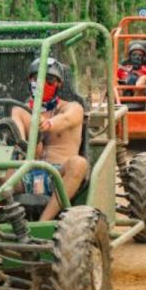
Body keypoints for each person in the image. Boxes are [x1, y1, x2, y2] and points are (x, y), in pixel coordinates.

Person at [11, 58, 88, 221]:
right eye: (37, 78)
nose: (43, 83)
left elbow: (67, 119)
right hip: (28, 174)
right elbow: (21, 143)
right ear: (29, 80)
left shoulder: (72, 107)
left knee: (79, 163)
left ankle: (42, 223)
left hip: (59, 176)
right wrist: (27, 135)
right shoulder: (20, 111)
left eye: (49, 80)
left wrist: (48, 123)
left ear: (59, 84)